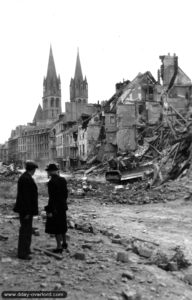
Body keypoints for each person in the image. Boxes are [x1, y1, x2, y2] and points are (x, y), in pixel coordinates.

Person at [13, 161, 38, 260]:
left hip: (25, 209)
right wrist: (28, 212)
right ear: (32, 169)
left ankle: (26, 249)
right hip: (26, 210)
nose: (35, 171)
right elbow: (26, 197)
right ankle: (23, 253)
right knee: (25, 231)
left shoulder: (25, 177)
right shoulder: (26, 179)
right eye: (35, 169)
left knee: (27, 230)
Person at [44, 163, 68, 253]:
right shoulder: (63, 180)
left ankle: (59, 247)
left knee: (56, 227)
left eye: (48, 171)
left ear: (50, 172)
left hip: (55, 207)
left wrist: (49, 209)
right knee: (63, 224)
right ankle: (64, 243)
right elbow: (65, 194)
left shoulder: (51, 182)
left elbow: (52, 197)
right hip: (63, 206)